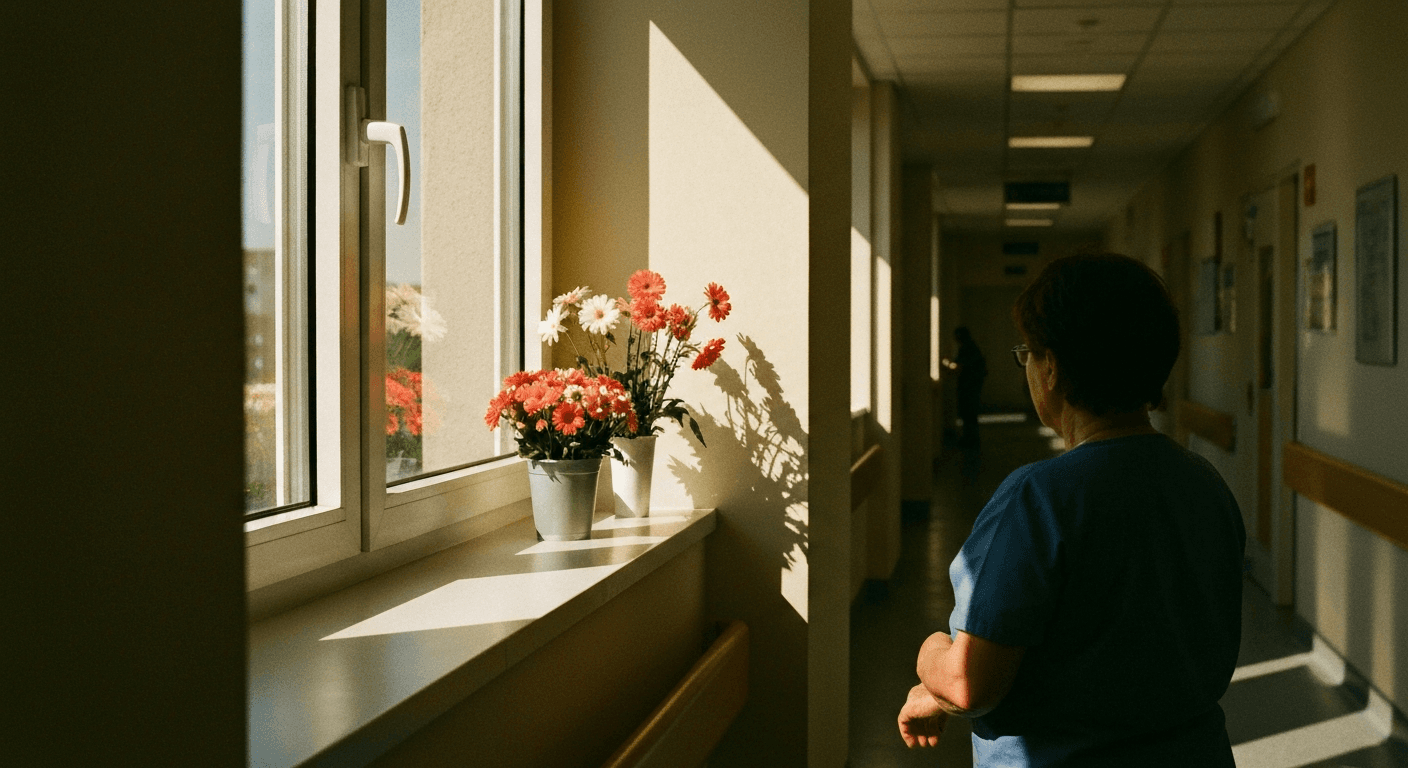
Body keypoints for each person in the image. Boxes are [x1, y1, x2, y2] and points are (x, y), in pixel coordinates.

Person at [897, 254, 1246, 767]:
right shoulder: (1205, 486)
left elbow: (969, 684)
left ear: (1053, 367)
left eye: (1028, 355)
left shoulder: (1040, 499)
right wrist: (944, 692)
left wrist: (931, 657)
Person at [942, 327, 987, 450]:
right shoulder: (971, 347)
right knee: (970, 414)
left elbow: (958, 367)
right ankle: (971, 439)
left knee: (968, 414)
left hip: (968, 387)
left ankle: (970, 440)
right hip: (972, 386)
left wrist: (946, 363)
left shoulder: (966, 349)